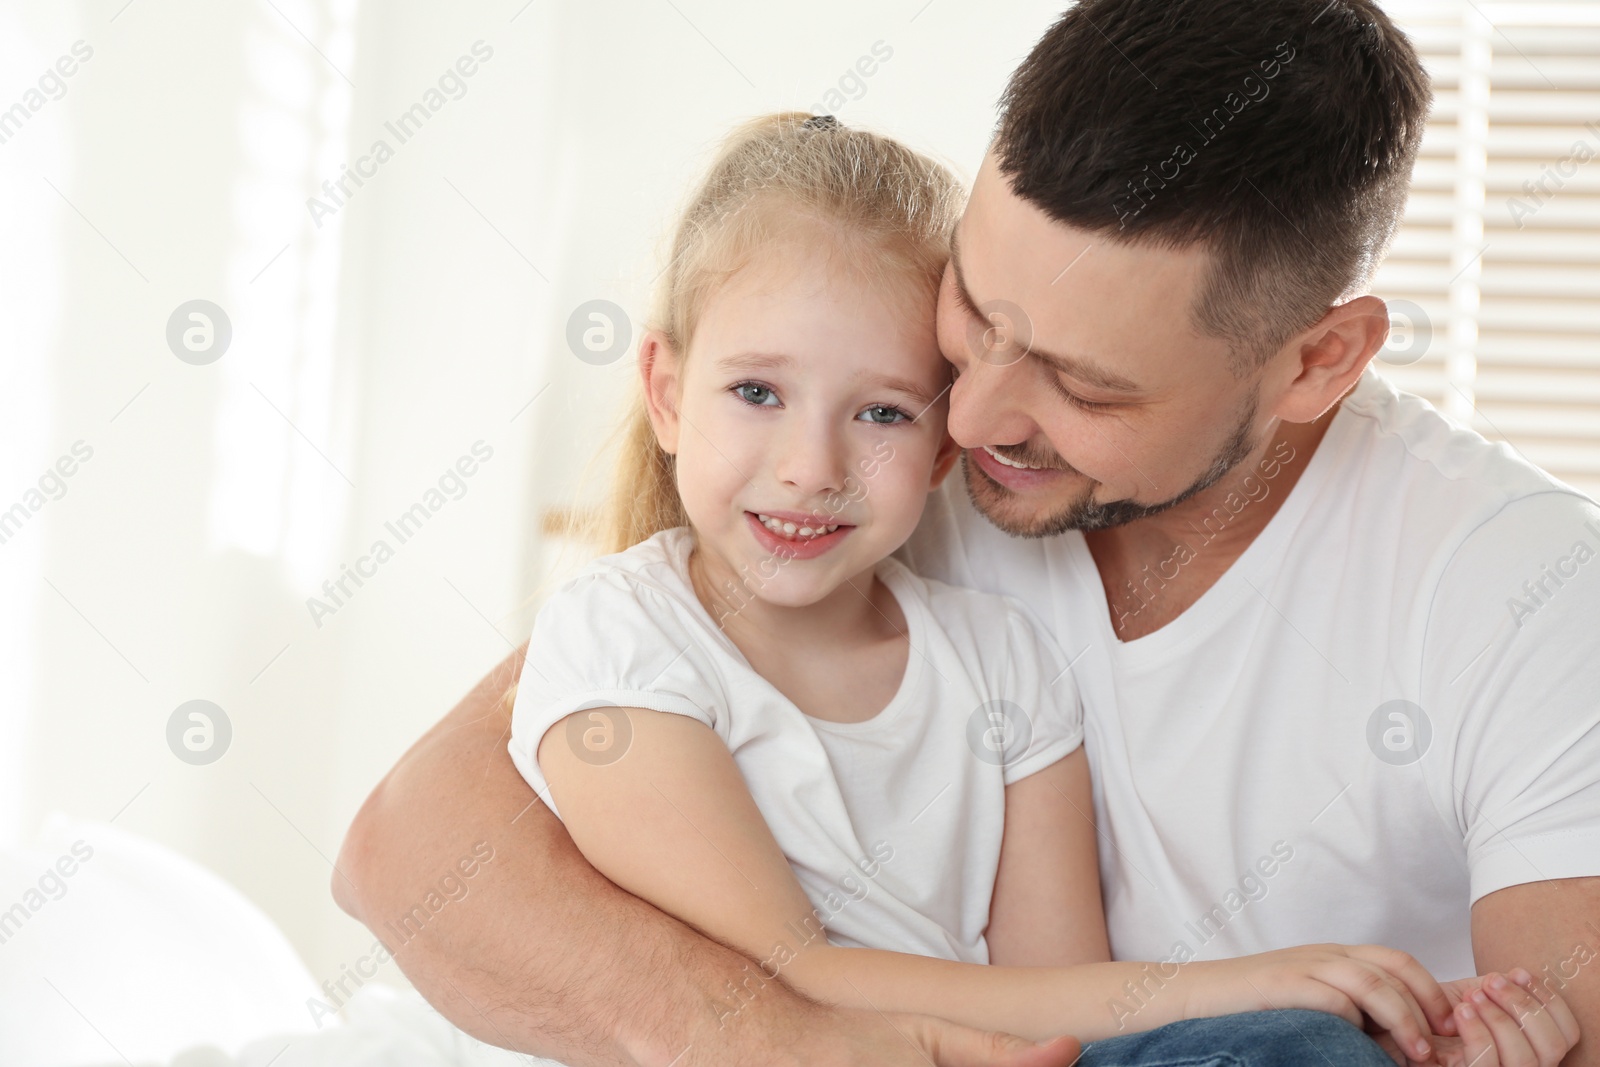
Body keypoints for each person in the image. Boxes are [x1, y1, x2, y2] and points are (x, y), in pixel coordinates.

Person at [334, 1, 1600, 1065]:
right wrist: (782, 1041)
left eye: (1087, 386)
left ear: (1316, 361)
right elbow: (411, 847)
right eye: (975, 311)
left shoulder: (1528, 595)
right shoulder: (839, 490)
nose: (973, 416)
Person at [503, 108, 1457, 1065]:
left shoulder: (1001, 659)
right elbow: (800, 976)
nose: (809, 465)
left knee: (1301, 1049)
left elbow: (1058, 1008)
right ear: (666, 393)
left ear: (942, 446)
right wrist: (1246, 978)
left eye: (882, 411)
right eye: (757, 392)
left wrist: (1296, 1004)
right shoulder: (621, 636)